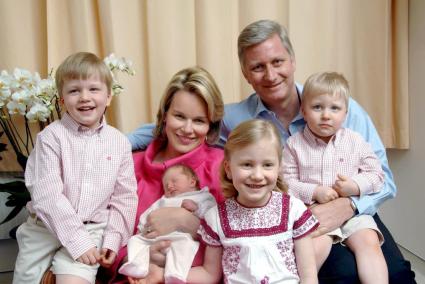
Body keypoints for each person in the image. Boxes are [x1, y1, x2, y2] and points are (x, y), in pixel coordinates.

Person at [127, 19, 416, 283]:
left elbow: (384, 178)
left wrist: (347, 206)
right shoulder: (234, 119)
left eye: (278, 61)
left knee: (398, 276)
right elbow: (180, 122)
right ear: (245, 74)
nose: (271, 74)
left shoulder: (338, 107)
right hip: (290, 225)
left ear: (292, 61)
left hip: (353, 213)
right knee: (342, 277)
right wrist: (117, 142)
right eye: (257, 67)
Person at [13, 52, 138, 284]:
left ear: (109, 96)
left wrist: (112, 238)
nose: (84, 97)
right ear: (61, 100)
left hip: (92, 230)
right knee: (26, 279)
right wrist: (75, 240)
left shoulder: (119, 142)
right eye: (74, 90)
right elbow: (47, 194)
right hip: (45, 229)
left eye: (93, 89)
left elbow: (125, 197)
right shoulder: (50, 138)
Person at [100, 66, 225, 283]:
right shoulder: (129, 165)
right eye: (179, 116)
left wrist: (188, 223)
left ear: (210, 125)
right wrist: (135, 259)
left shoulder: (222, 167)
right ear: (165, 115)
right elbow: (103, 233)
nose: (187, 129)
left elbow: (243, 239)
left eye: (199, 121)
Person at [283, 71, 388, 283]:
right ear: (303, 111)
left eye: (334, 108)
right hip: (314, 214)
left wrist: (355, 186)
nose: (326, 115)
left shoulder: (355, 141)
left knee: (369, 241)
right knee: (311, 249)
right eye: (317, 107)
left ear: (345, 113)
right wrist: (314, 191)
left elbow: (377, 175)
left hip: (354, 215)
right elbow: (285, 183)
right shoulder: (294, 144)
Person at [183, 119, 318, 283]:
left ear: (279, 168)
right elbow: (209, 274)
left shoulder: (294, 210)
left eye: (268, 165)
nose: (257, 175)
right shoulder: (216, 218)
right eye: (247, 164)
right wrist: (161, 273)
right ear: (228, 169)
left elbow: (309, 276)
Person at [119, 164, 216, 283]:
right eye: (166, 185)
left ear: (192, 182)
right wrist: (141, 229)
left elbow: (212, 215)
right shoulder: (163, 200)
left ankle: (174, 274)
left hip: (181, 237)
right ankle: (136, 265)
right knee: (134, 241)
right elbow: (148, 214)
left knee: (184, 246)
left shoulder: (203, 197)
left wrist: (197, 208)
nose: (169, 186)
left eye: (174, 181)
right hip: (155, 239)